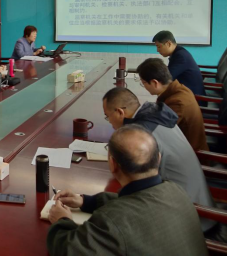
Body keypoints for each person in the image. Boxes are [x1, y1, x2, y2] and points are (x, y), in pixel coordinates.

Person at [47, 125, 207, 256]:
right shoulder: (175, 189)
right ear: (158, 159)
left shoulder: (112, 221)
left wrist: (62, 220)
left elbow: (67, 250)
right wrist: (86, 201)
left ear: (112, 164)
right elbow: (139, 202)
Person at [102, 87, 216, 233]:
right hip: (200, 201)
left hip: (190, 219)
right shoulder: (155, 114)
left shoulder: (141, 134)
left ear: (119, 112)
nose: (109, 122)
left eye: (107, 117)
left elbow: (132, 182)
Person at [137, 58, 208, 151]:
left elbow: (158, 131)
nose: (144, 86)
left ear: (155, 82)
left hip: (190, 154)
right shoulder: (179, 89)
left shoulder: (177, 102)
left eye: (143, 83)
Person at [152, 30, 205, 97]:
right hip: (186, 93)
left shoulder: (181, 56)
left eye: (159, 46)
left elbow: (167, 78)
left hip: (194, 98)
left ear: (168, 44)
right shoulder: (178, 52)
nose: (157, 50)